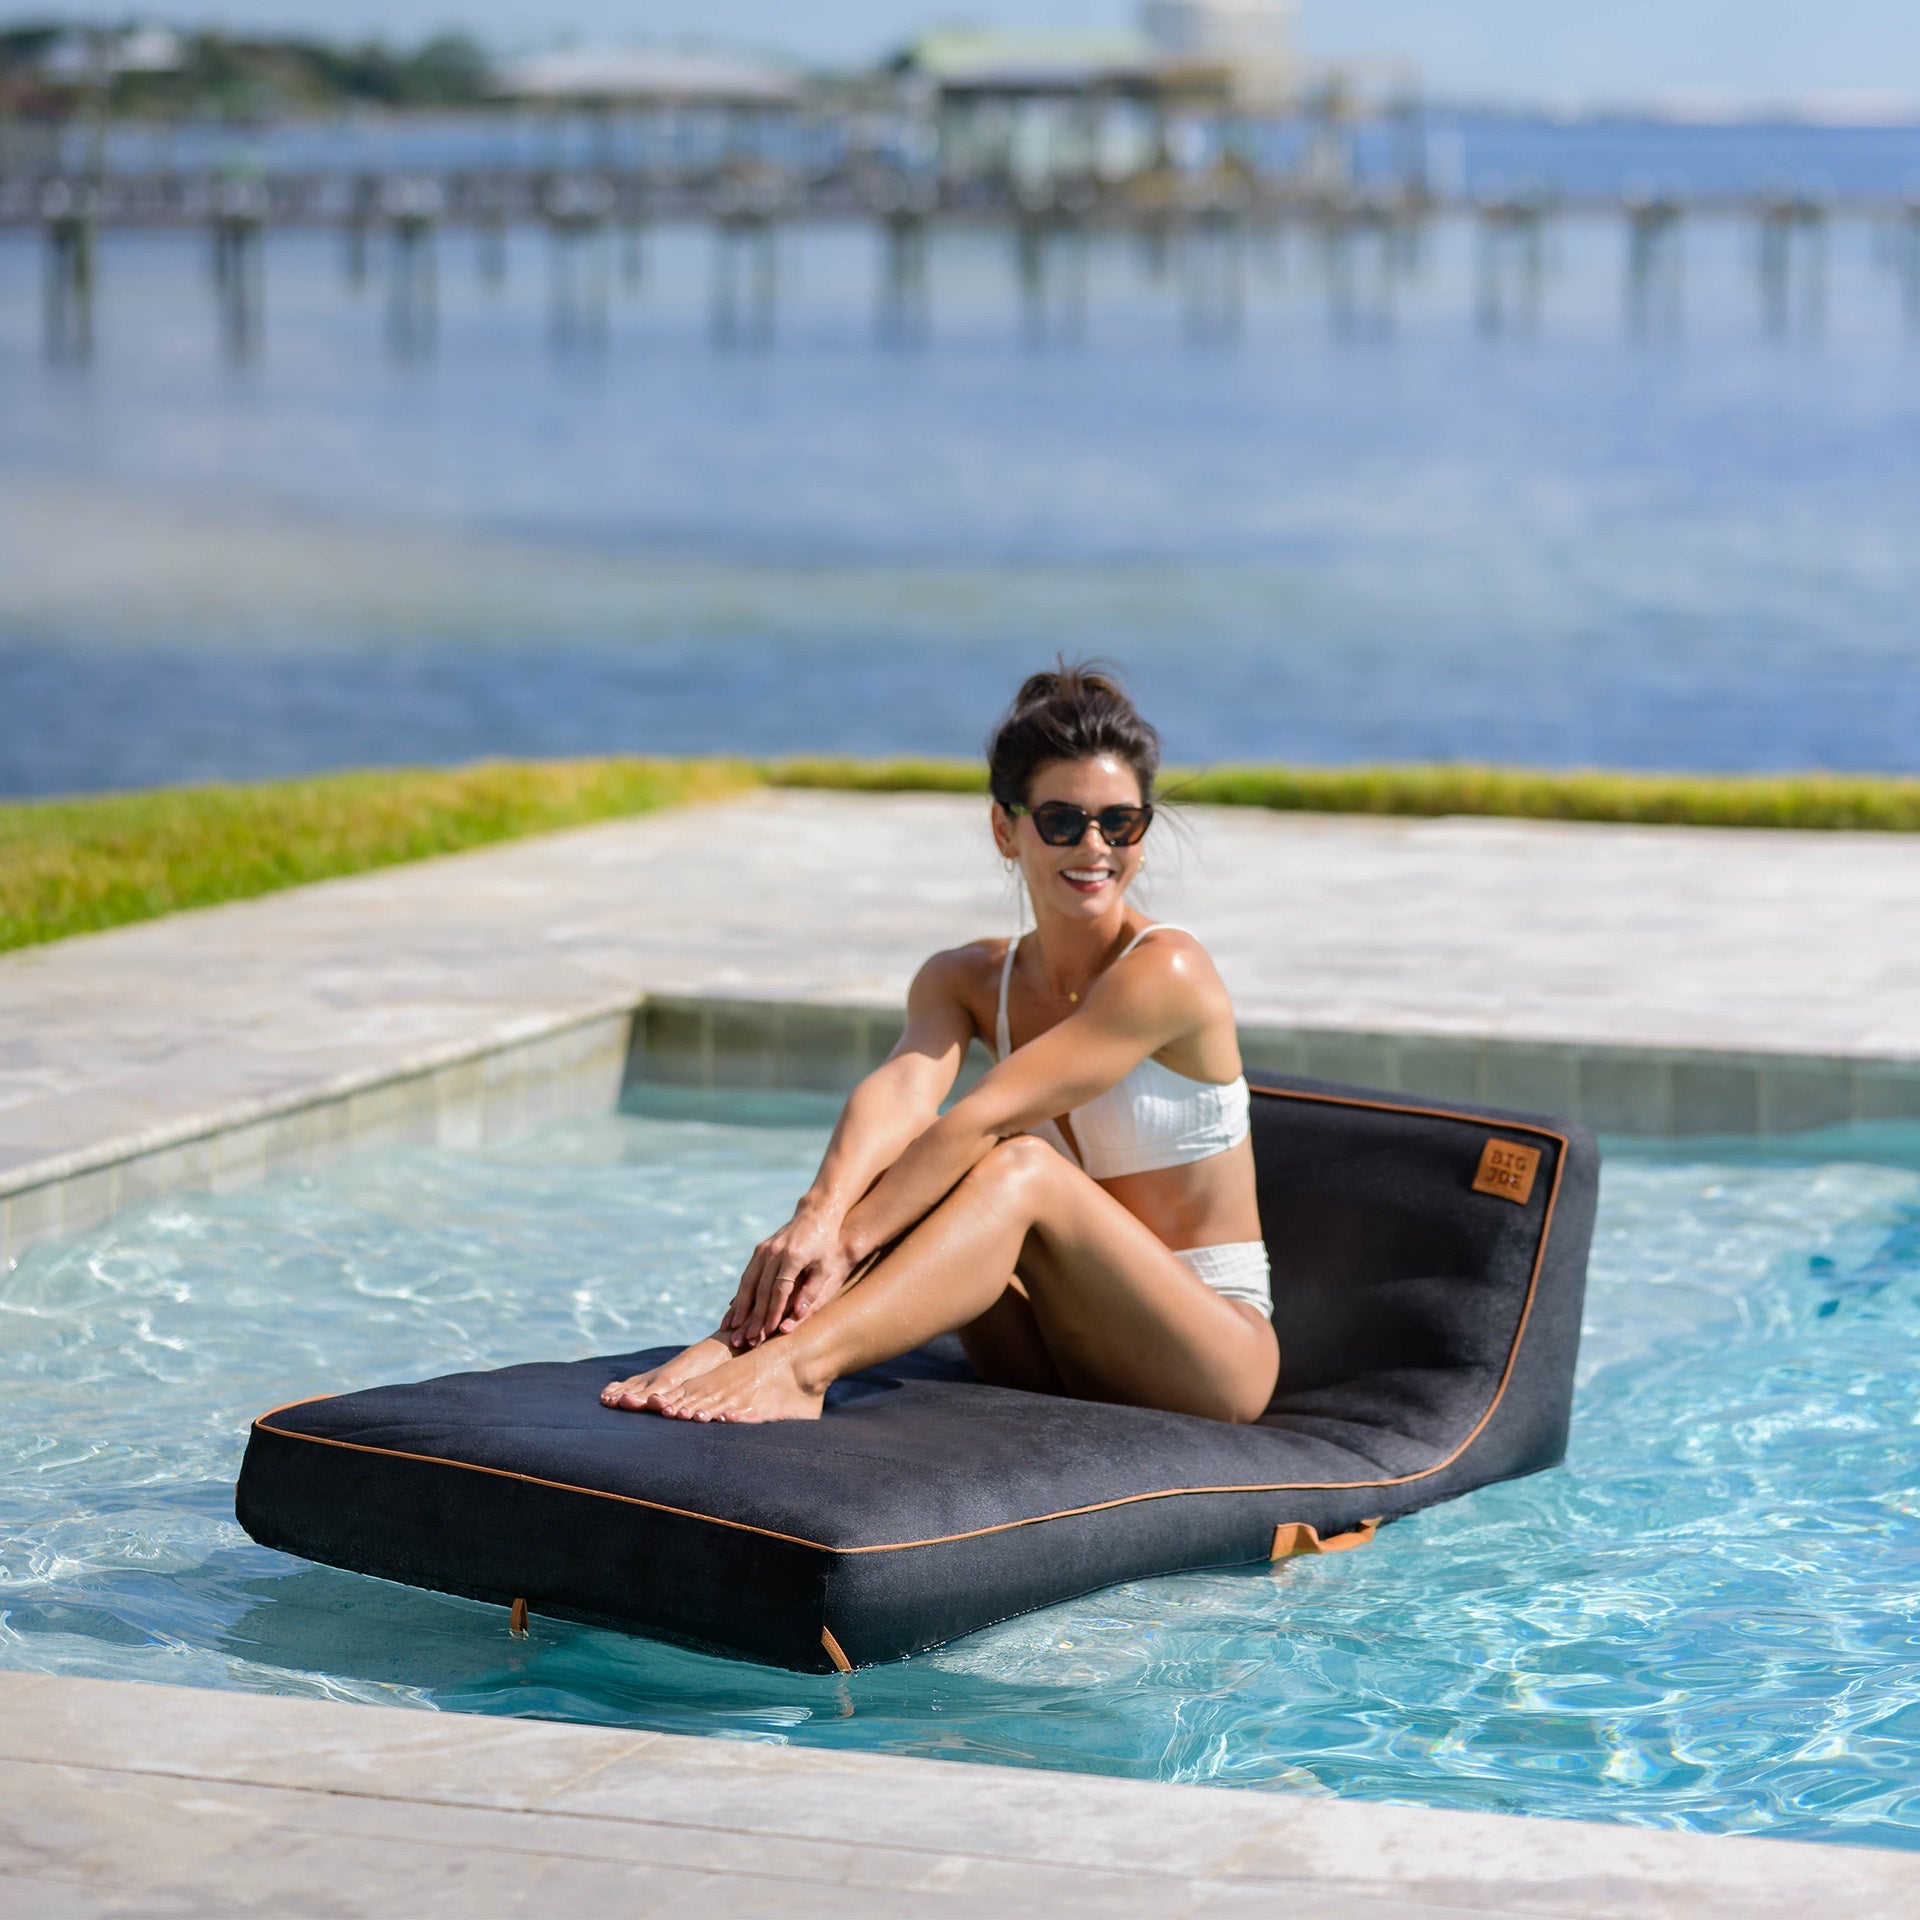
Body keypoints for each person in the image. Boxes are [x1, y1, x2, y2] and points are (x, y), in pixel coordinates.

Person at [602, 663, 1278, 1426]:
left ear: (1143, 836)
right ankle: (738, 1344)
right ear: (1005, 828)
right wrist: (816, 1218)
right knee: (906, 1148)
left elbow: (984, 1117)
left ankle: (796, 1368)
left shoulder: (1167, 970)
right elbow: (901, 1091)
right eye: (1061, 821)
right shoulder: (963, 978)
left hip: (1212, 1361)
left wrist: (844, 1246)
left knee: (1019, 1162)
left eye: (1120, 823)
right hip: (1054, 1345)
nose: (1094, 847)